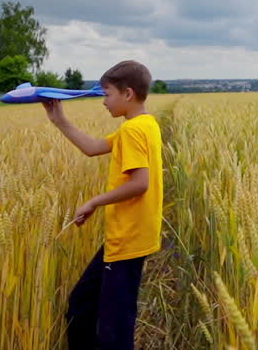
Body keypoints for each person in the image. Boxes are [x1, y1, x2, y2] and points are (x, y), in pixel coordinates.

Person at [42, 60, 163, 350]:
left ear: (128, 93)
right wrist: (58, 119)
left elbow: (140, 182)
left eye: (107, 94)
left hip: (128, 239)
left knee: (114, 332)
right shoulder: (145, 124)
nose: (104, 102)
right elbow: (93, 147)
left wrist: (94, 202)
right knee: (82, 304)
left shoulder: (133, 131)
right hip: (127, 237)